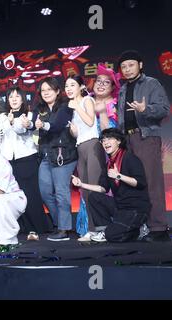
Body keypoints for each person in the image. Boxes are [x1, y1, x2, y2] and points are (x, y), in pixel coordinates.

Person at [117, 50, 170, 242]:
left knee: (152, 182)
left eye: (131, 65)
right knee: (134, 185)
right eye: (123, 66)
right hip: (128, 140)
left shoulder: (151, 83)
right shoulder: (123, 89)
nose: (127, 69)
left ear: (140, 65)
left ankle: (159, 228)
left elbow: (164, 109)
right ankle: (142, 226)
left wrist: (145, 109)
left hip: (146, 137)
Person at [0, 87, 49, 236]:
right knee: (15, 196)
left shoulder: (29, 114)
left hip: (27, 159)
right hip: (9, 161)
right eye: (10, 97)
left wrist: (17, 123)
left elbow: (24, 131)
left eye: (17, 96)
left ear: (22, 99)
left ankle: (38, 227)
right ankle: (21, 228)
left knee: (31, 195)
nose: (14, 99)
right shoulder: (2, 116)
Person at [71, 128, 151, 242]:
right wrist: (81, 184)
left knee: (113, 236)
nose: (105, 143)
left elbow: (140, 183)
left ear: (118, 141)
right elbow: (102, 188)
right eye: (103, 141)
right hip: (120, 206)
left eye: (109, 139)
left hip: (135, 208)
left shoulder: (129, 158)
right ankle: (105, 231)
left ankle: (137, 229)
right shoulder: (109, 164)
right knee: (94, 197)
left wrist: (119, 176)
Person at [33, 77, 77, 241]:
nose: (46, 93)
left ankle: (64, 229)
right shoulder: (39, 108)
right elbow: (32, 124)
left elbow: (58, 125)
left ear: (57, 91)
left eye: (49, 90)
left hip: (63, 154)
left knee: (61, 192)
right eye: (43, 90)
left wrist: (41, 125)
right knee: (45, 192)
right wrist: (27, 124)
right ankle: (61, 224)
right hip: (46, 155)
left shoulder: (65, 107)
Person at [66, 75, 106, 239]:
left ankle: (102, 229)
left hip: (92, 145)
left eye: (72, 85)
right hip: (80, 147)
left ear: (81, 87)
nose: (68, 88)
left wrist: (77, 106)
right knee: (85, 190)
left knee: (95, 188)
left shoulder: (86, 100)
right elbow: (76, 132)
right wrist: (73, 131)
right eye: (66, 86)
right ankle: (92, 229)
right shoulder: (72, 108)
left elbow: (90, 122)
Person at [93, 63, 120, 133]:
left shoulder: (117, 105)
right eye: (98, 80)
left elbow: (113, 133)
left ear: (113, 87)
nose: (101, 84)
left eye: (106, 82)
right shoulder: (87, 100)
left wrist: (103, 112)